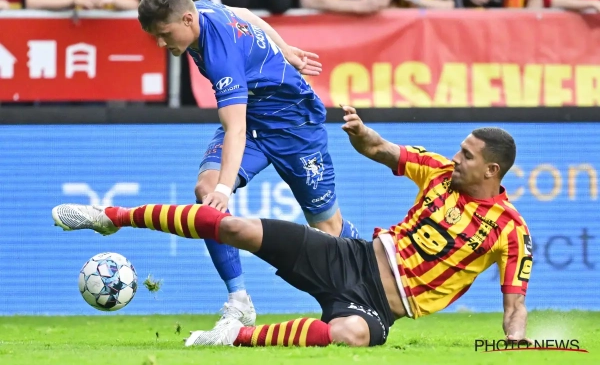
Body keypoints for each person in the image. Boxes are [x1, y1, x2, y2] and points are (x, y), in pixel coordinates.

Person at [52, 106, 533, 348]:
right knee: (234, 227)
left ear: (492, 171)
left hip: (380, 308)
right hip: (350, 256)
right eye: (460, 150)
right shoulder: (438, 171)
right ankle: (112, 218)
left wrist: (514, 342)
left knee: (349, 334)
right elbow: (381, 149)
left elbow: (514, 305)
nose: (456, 158)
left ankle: (232, 337)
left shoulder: (510, 231)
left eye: (468, 156)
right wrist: (362, 133)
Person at [134, 0, 362, 328]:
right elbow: (243, 14)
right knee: (205, 190)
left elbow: (235, 129)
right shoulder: (202, 9)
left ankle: (371, 263)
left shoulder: (220, 56)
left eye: (165, 34)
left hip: (293, 126)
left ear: (187, 19)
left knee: (327, 229)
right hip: (255, 119)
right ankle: (239, 300)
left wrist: (225, 190)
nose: (161, 44)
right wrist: (284, 49)